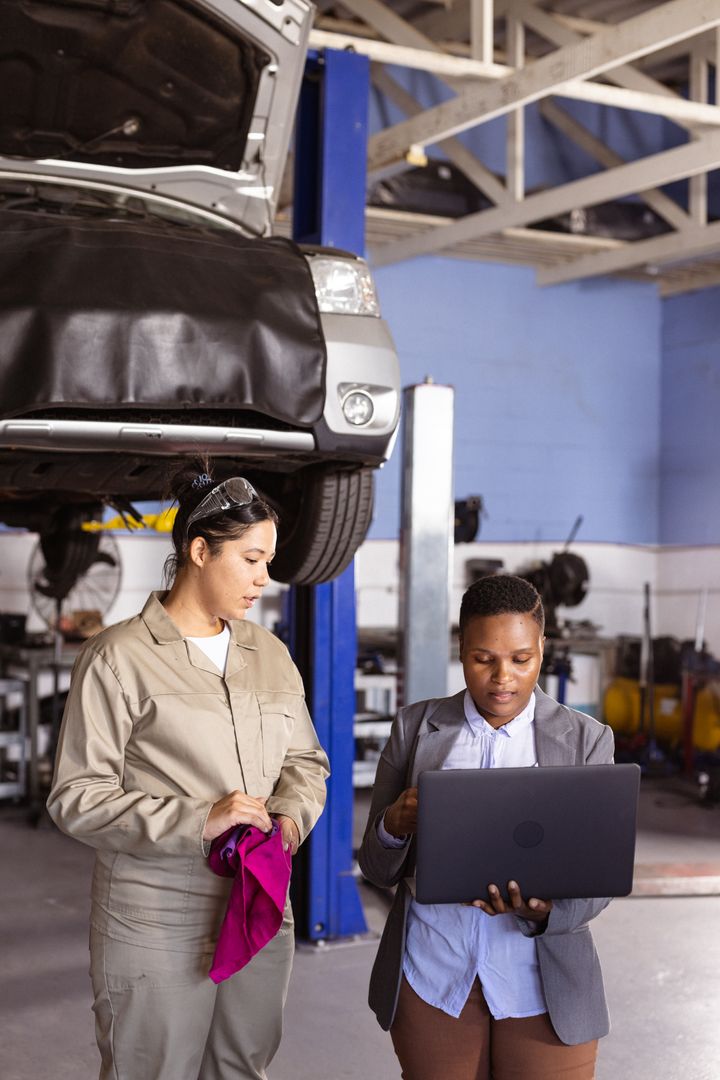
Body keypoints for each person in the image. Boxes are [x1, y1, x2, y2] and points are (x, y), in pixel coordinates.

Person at [47, 462, 329, 1080]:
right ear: (199, 551)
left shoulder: (270, 654)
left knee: (240, 1067)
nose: (264, 577)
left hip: (258, 901)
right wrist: (199, 819)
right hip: (155, 915)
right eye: (251, 559)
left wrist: (287, 821)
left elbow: (305, 762)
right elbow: (76, 796)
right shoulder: (119, 657)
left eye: (269, 560)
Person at [358, 574, 615, 1080]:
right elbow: (376, 864)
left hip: (544, 980)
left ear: (542, 648)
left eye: (522, 659)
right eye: (483, 659)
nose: (503, 677)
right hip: (436, 971)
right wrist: (395, 823)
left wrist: (543, 912)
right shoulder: (416, 728)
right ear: (461, 651)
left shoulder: (587, 740)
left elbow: (599, 877)